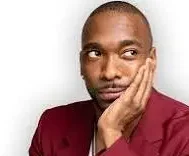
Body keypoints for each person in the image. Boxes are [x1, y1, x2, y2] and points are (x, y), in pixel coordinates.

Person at [29, 1, 189, 156]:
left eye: (129, 53)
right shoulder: (52, 125)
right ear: (81, 64)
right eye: (95, 53)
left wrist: (111, 133)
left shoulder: (184, 132)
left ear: (152, 60)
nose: (109, 73)